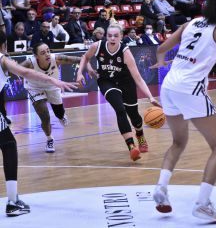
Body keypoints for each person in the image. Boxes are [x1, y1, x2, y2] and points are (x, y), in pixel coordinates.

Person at [150, 0, 216, 222]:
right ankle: (202, 204)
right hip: (190, 88)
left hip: (169, 85)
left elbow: (161, 48)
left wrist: (160, 63)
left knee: (178, 142)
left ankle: (161, 188)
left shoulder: (193, 22)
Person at [0, 31, 76, 216]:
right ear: (4, 45)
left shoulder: (54, 58)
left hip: (46, 92)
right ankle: (12, 201)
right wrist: (53, 80)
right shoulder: (2, 58)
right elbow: (25, 71)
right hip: (37, 88)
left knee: (9, 142)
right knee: (9, 146)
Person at [77, 24, 160, 161]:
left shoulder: (125, 52)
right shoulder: (97, 46)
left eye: (116, 35)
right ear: (106, 36)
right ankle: (132, 147)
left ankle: (140, 135)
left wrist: (150, 96)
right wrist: (81, 72)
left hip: (125, 83)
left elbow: (138, 78)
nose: (112, 38)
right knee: (120, 110)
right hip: (106, 82)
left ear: (121, 37)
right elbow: (85, 57)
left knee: (134, 116)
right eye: (109, 35)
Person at [21, 42, 92, 153]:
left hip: (52, 85)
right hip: (34, 87)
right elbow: (13, 69)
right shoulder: (29, 63)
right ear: (36, 56)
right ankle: (50, 139)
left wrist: (85, 70)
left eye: (48, 51)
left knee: (59, 113)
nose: (47, 54)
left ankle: (61, 116)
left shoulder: (57, 59)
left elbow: (82, 59)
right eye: (43, 53)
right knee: (44, 115)